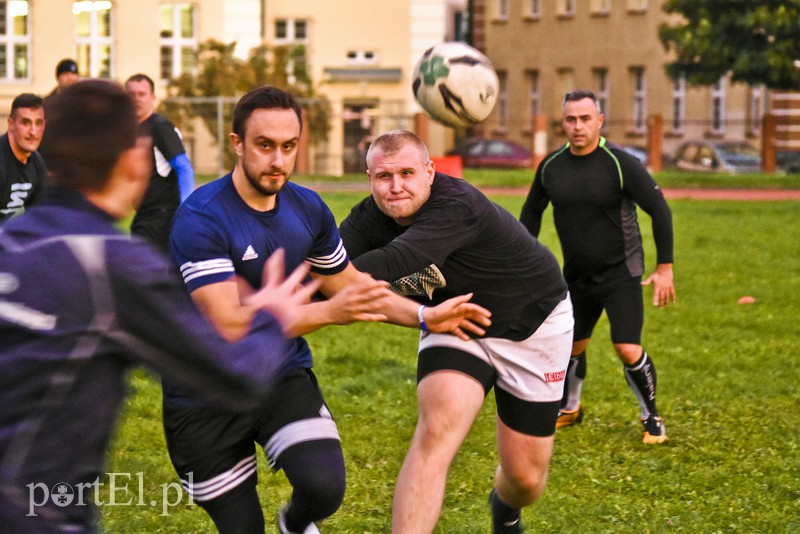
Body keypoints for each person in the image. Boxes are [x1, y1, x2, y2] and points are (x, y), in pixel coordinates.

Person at [0, 80, 323, 533]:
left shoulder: (8, 243)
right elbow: (236, 375)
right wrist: (273, 317)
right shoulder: (109, 266)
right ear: (133, 160)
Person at [167, 86, 491, 534]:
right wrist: (331, 313)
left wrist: (422, 315)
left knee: (324, 488)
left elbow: (351, 285)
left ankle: (295, 525)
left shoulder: (307, 207)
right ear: (237, 143)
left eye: (288, 146)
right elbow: (229, 322)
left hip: (278, 374)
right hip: (203, 394)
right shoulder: (201, 217)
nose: (278, 160)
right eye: (264, 146)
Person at [338, 129, 574, 534]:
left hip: (535, 325)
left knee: (525, 479)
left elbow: (395, 259)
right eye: (383, 176)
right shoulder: (367, 219)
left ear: (430, 172)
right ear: (369, 178)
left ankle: (506, 509)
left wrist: (324, 274)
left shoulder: (457, 204)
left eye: (407, 173)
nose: (396, 187)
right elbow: (329, 262)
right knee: (436, 428)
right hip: (456, 320)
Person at [519, 89, 676, 444]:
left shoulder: (620, 163)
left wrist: (664, 266)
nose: (578, 127)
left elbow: (659, 210)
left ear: (599, 121)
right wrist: (523, 261)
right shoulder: (551, 166)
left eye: (585, 119)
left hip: (622, 273)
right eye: (571, 119)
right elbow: (531, 212)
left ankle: (651, 416)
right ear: (563, 123)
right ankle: (570, 408)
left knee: (626, 347)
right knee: (570, 346)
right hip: (576, 276)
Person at [124, 73, 194, 252]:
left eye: (142, 94)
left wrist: (185, 212)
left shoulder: (160, 127)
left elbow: (184, 168)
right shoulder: (131, 129)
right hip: (144, 215)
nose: (136, 99)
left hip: (161, 216)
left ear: (153, 97)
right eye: (131, 95)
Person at [0, 93, 48, 223]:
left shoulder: (36, 163)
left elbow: (39, 217)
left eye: (38, 123)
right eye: (25, 123)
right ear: (11, 124)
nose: (33, 132)